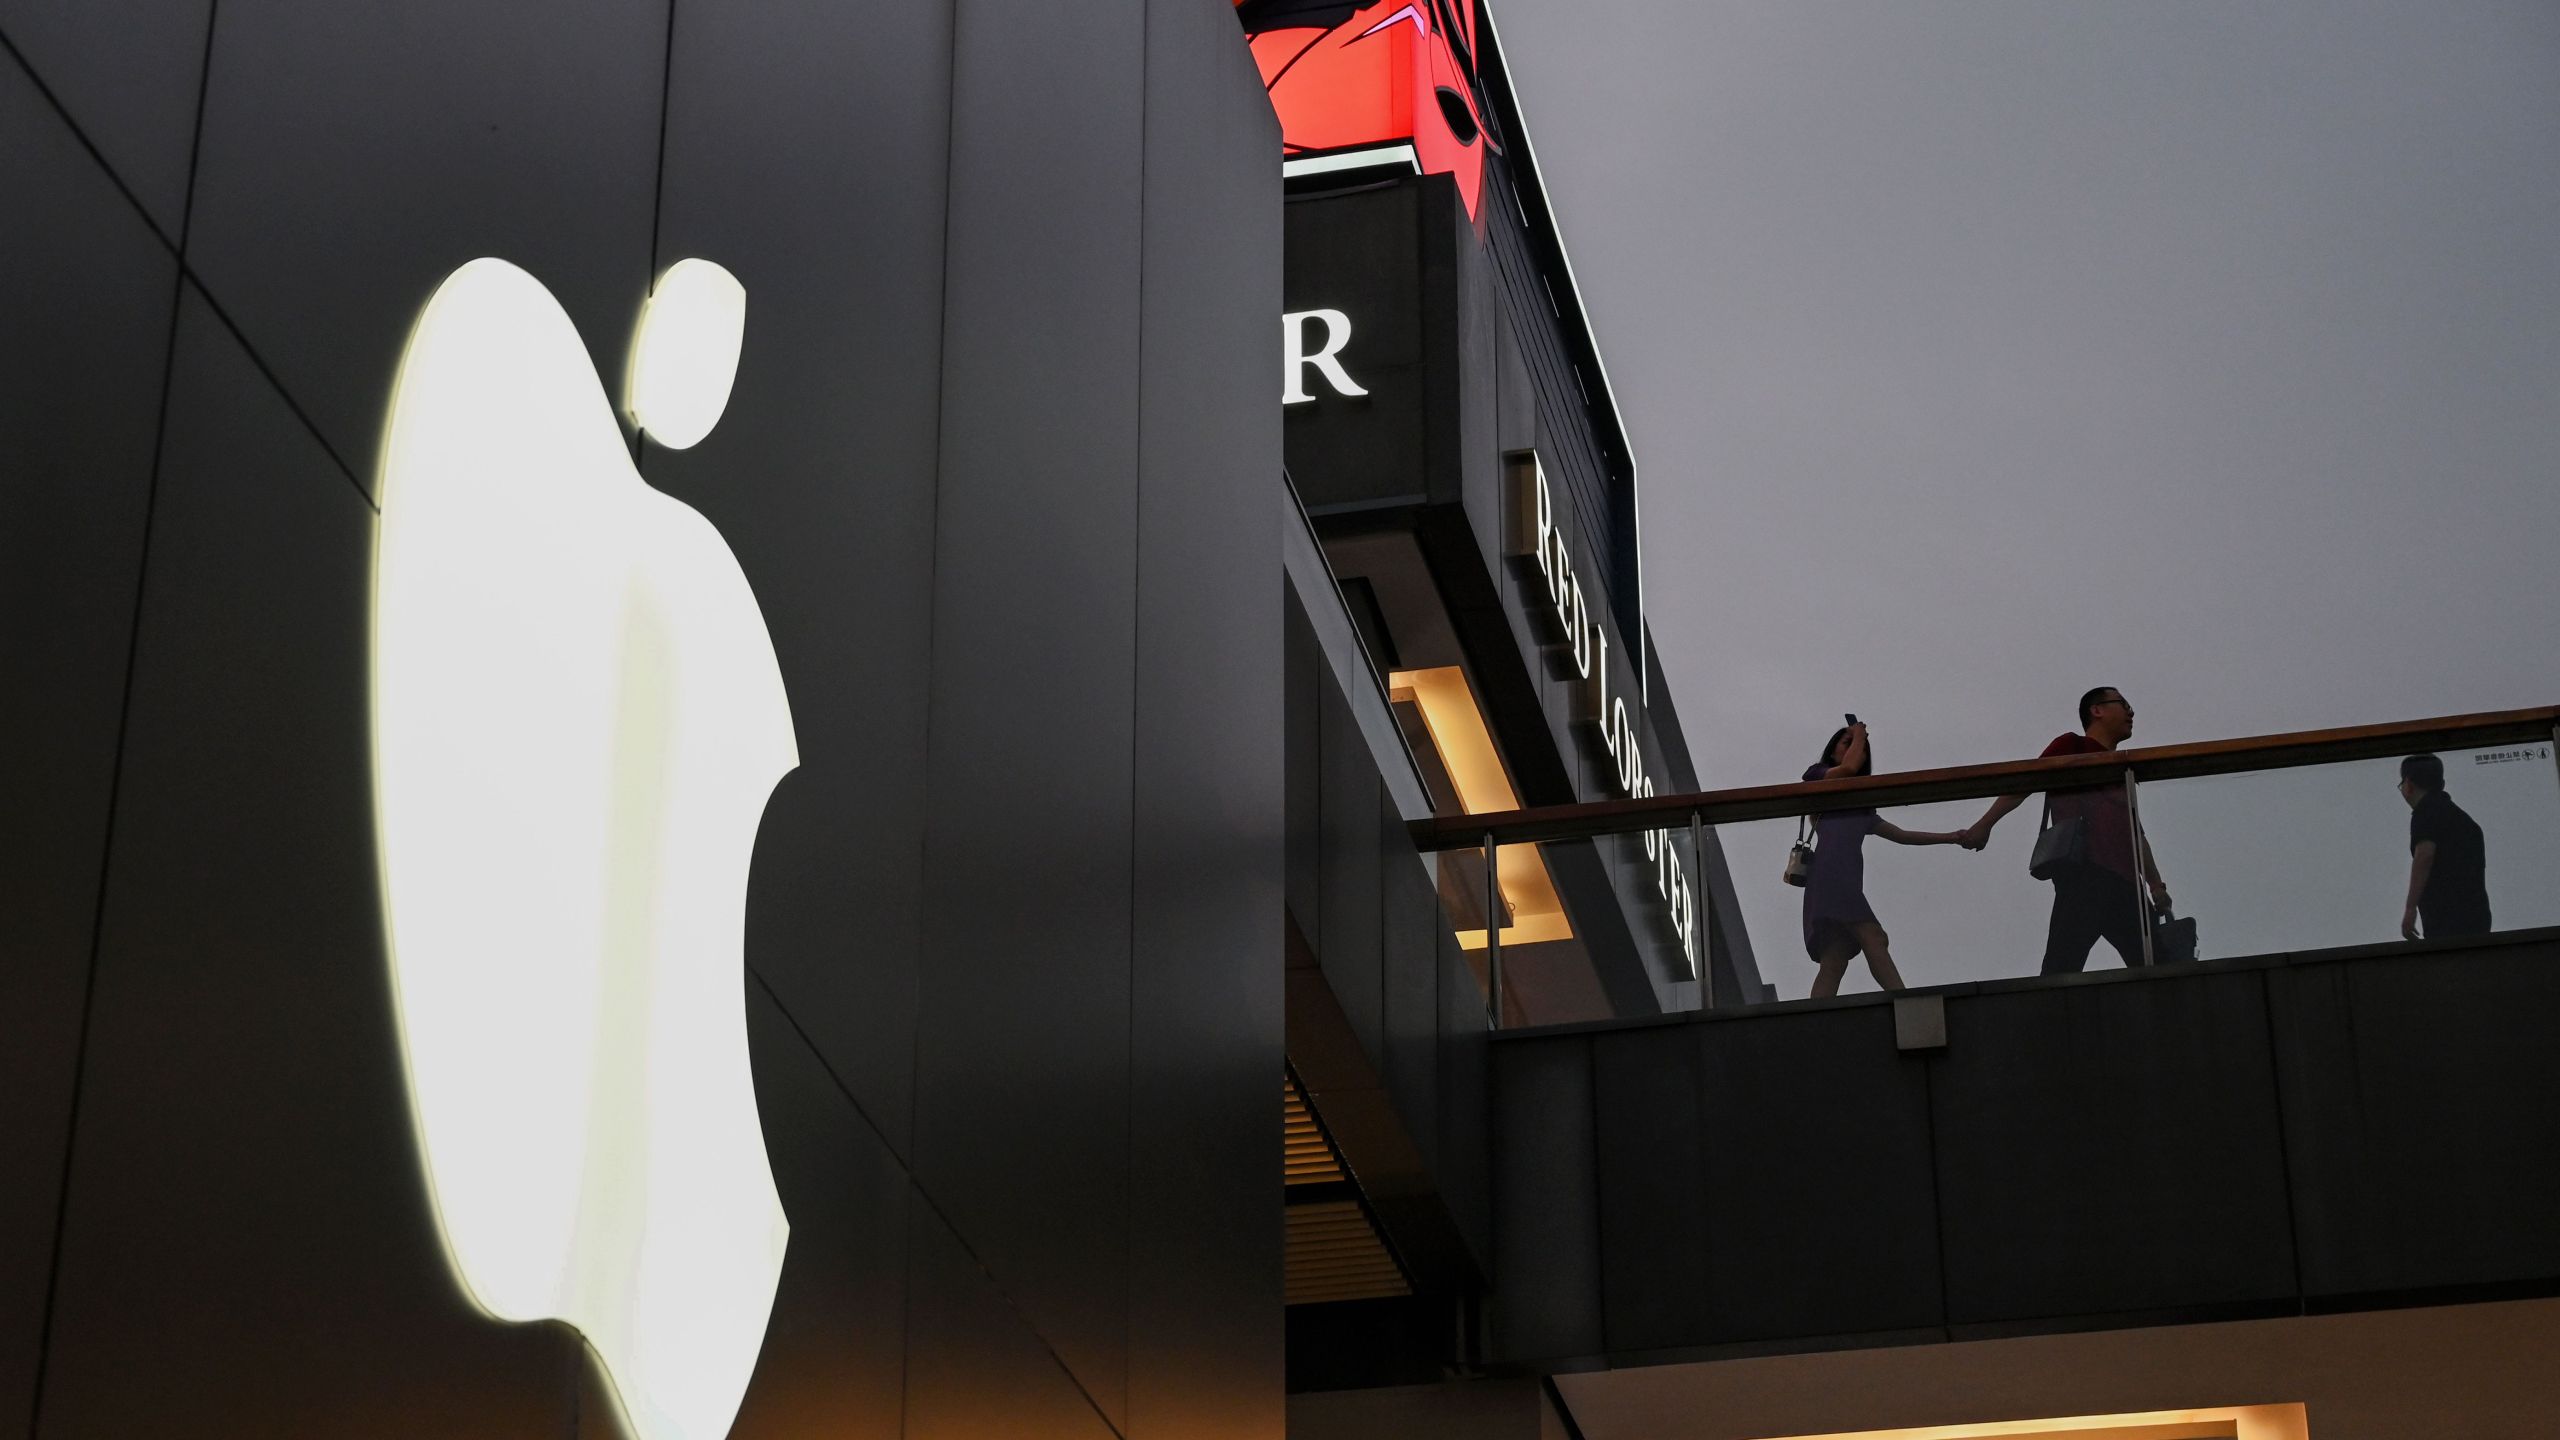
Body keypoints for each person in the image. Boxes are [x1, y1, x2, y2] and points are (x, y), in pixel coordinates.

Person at [1958, 686, 2170, 974]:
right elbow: (2027, 781)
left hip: (2126, 884)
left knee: (2163, 969)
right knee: (2062, 968)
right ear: (2097, 710)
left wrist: (2155, 885)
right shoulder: (2072, 745)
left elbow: (2135, 832)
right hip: (2084, 873)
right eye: (2123, 704)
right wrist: (1985, 824)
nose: (2131, 712)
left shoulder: (2124, 769)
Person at [1800, 721, 1968, 998]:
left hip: (1838, 876)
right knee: (1873, 937)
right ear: (1832, 751)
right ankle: (1904, 1001)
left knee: (1835, 957)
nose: (1857, 749)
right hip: (1833, 873)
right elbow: (1848, 770)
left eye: (1861, 747)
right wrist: (1860, 733)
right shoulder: (1818, 775)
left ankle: (1813, 1020)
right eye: (1848, 743)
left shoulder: (1861, 804)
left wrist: (1949, 837)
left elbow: (1901, 834)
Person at [2399, 752, 2491, 940]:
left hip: (2446, 917)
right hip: (2477, 918)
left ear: (2408, 784)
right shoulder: (2464, 821)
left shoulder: (2425, 812)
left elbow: (2424, 855)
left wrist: (2410, 909)